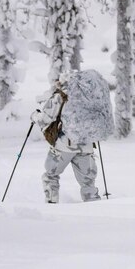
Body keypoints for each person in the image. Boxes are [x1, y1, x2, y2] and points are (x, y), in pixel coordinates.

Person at [32, 75, 101, 203]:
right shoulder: (89, 98)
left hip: (64, 145)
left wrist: (35, 116)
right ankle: (93, 205)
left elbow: (46, 119)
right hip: (86, 145)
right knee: (88, 182)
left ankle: (51, 204)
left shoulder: (59, 97)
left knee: (51, 175)